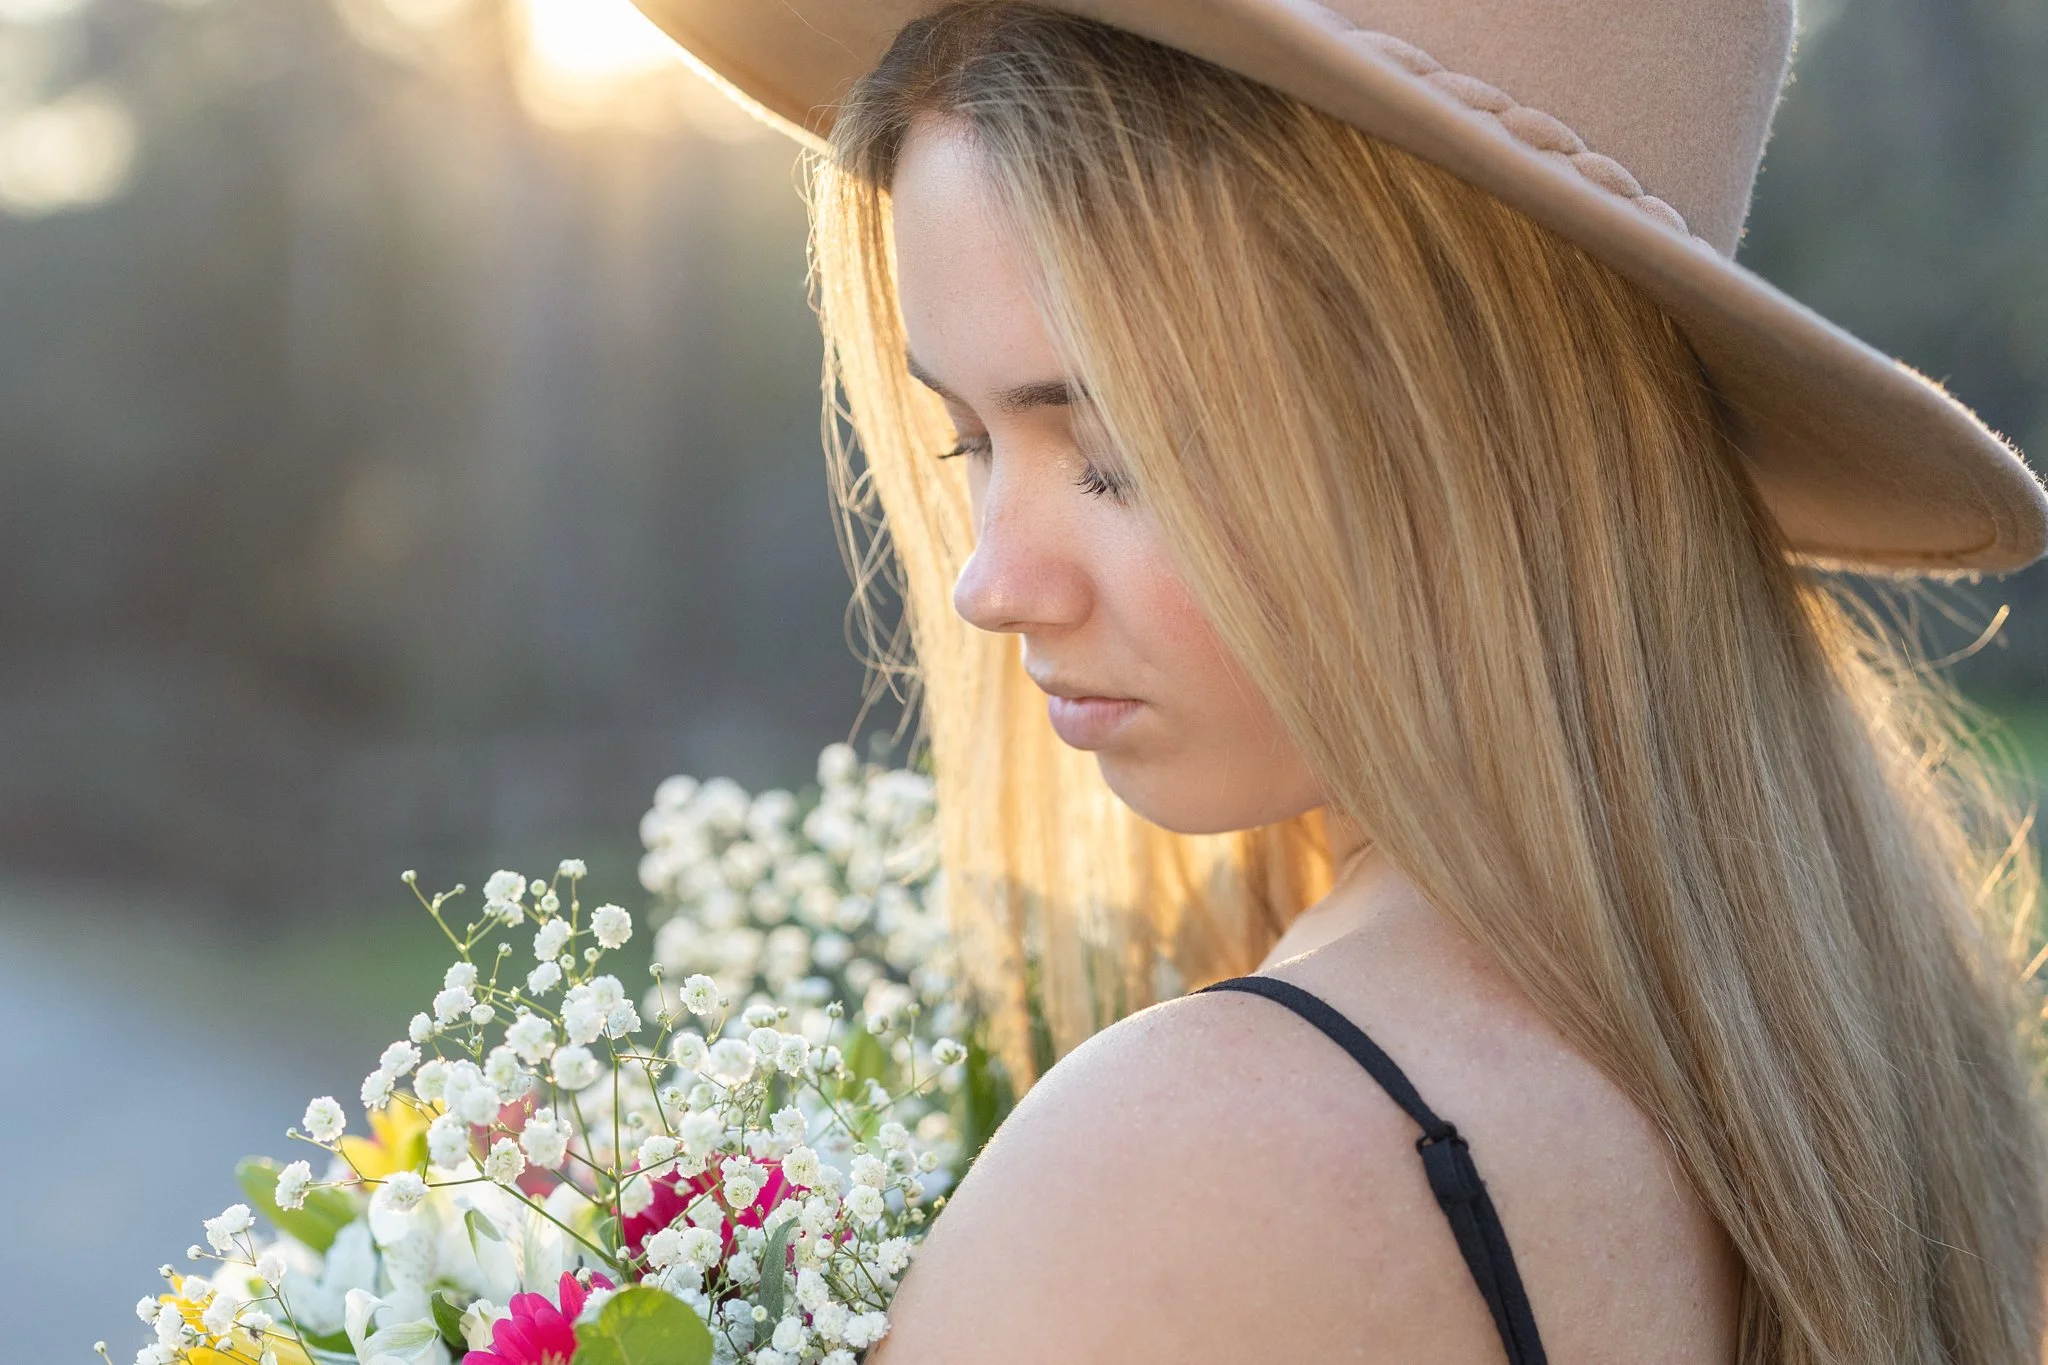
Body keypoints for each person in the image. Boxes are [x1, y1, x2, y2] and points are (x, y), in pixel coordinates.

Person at [634, 1, 2048, 1360]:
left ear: (1472, 437)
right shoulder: (1876, 1073)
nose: (991, 585)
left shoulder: (1207, 1161)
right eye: (970, 445)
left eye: (1117, 456)